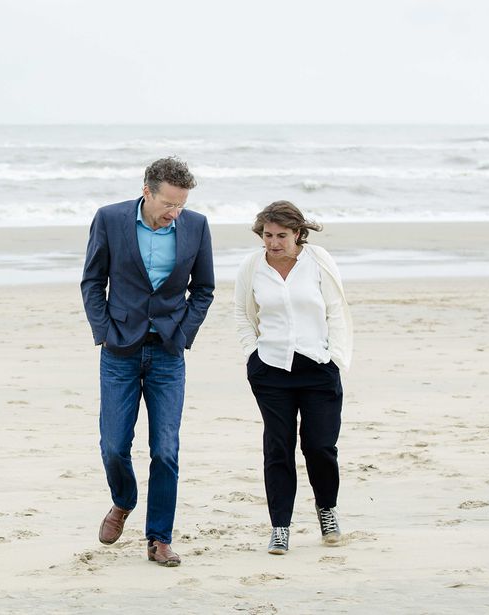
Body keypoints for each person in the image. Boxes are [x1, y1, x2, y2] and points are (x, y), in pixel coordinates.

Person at [81, 156, 215, 567]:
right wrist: (104, 331)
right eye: (168, 205)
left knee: (166, 450)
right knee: (114, 447)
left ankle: (159, 538)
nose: (175, 213)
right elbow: (92, 280)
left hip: (168, 353)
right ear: (147, 192)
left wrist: (183, 333)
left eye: (181, 204)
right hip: (119, 351)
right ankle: (123, 501)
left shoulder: (196, 225)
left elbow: (204, 288)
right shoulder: (109, 219)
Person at [233, 200, 353, 555]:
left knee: (319, 446)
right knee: (278, 447)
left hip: (318, 367)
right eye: (268, 235)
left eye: (281, 235)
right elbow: (242, 312)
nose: (273, 242)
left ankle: (326, 510)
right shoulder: (252, 266)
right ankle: (280, 527)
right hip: (271, 370)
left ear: (298, 233)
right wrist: (251, 354)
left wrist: (337, 359)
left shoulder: (318, 261)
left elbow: (337, 311)